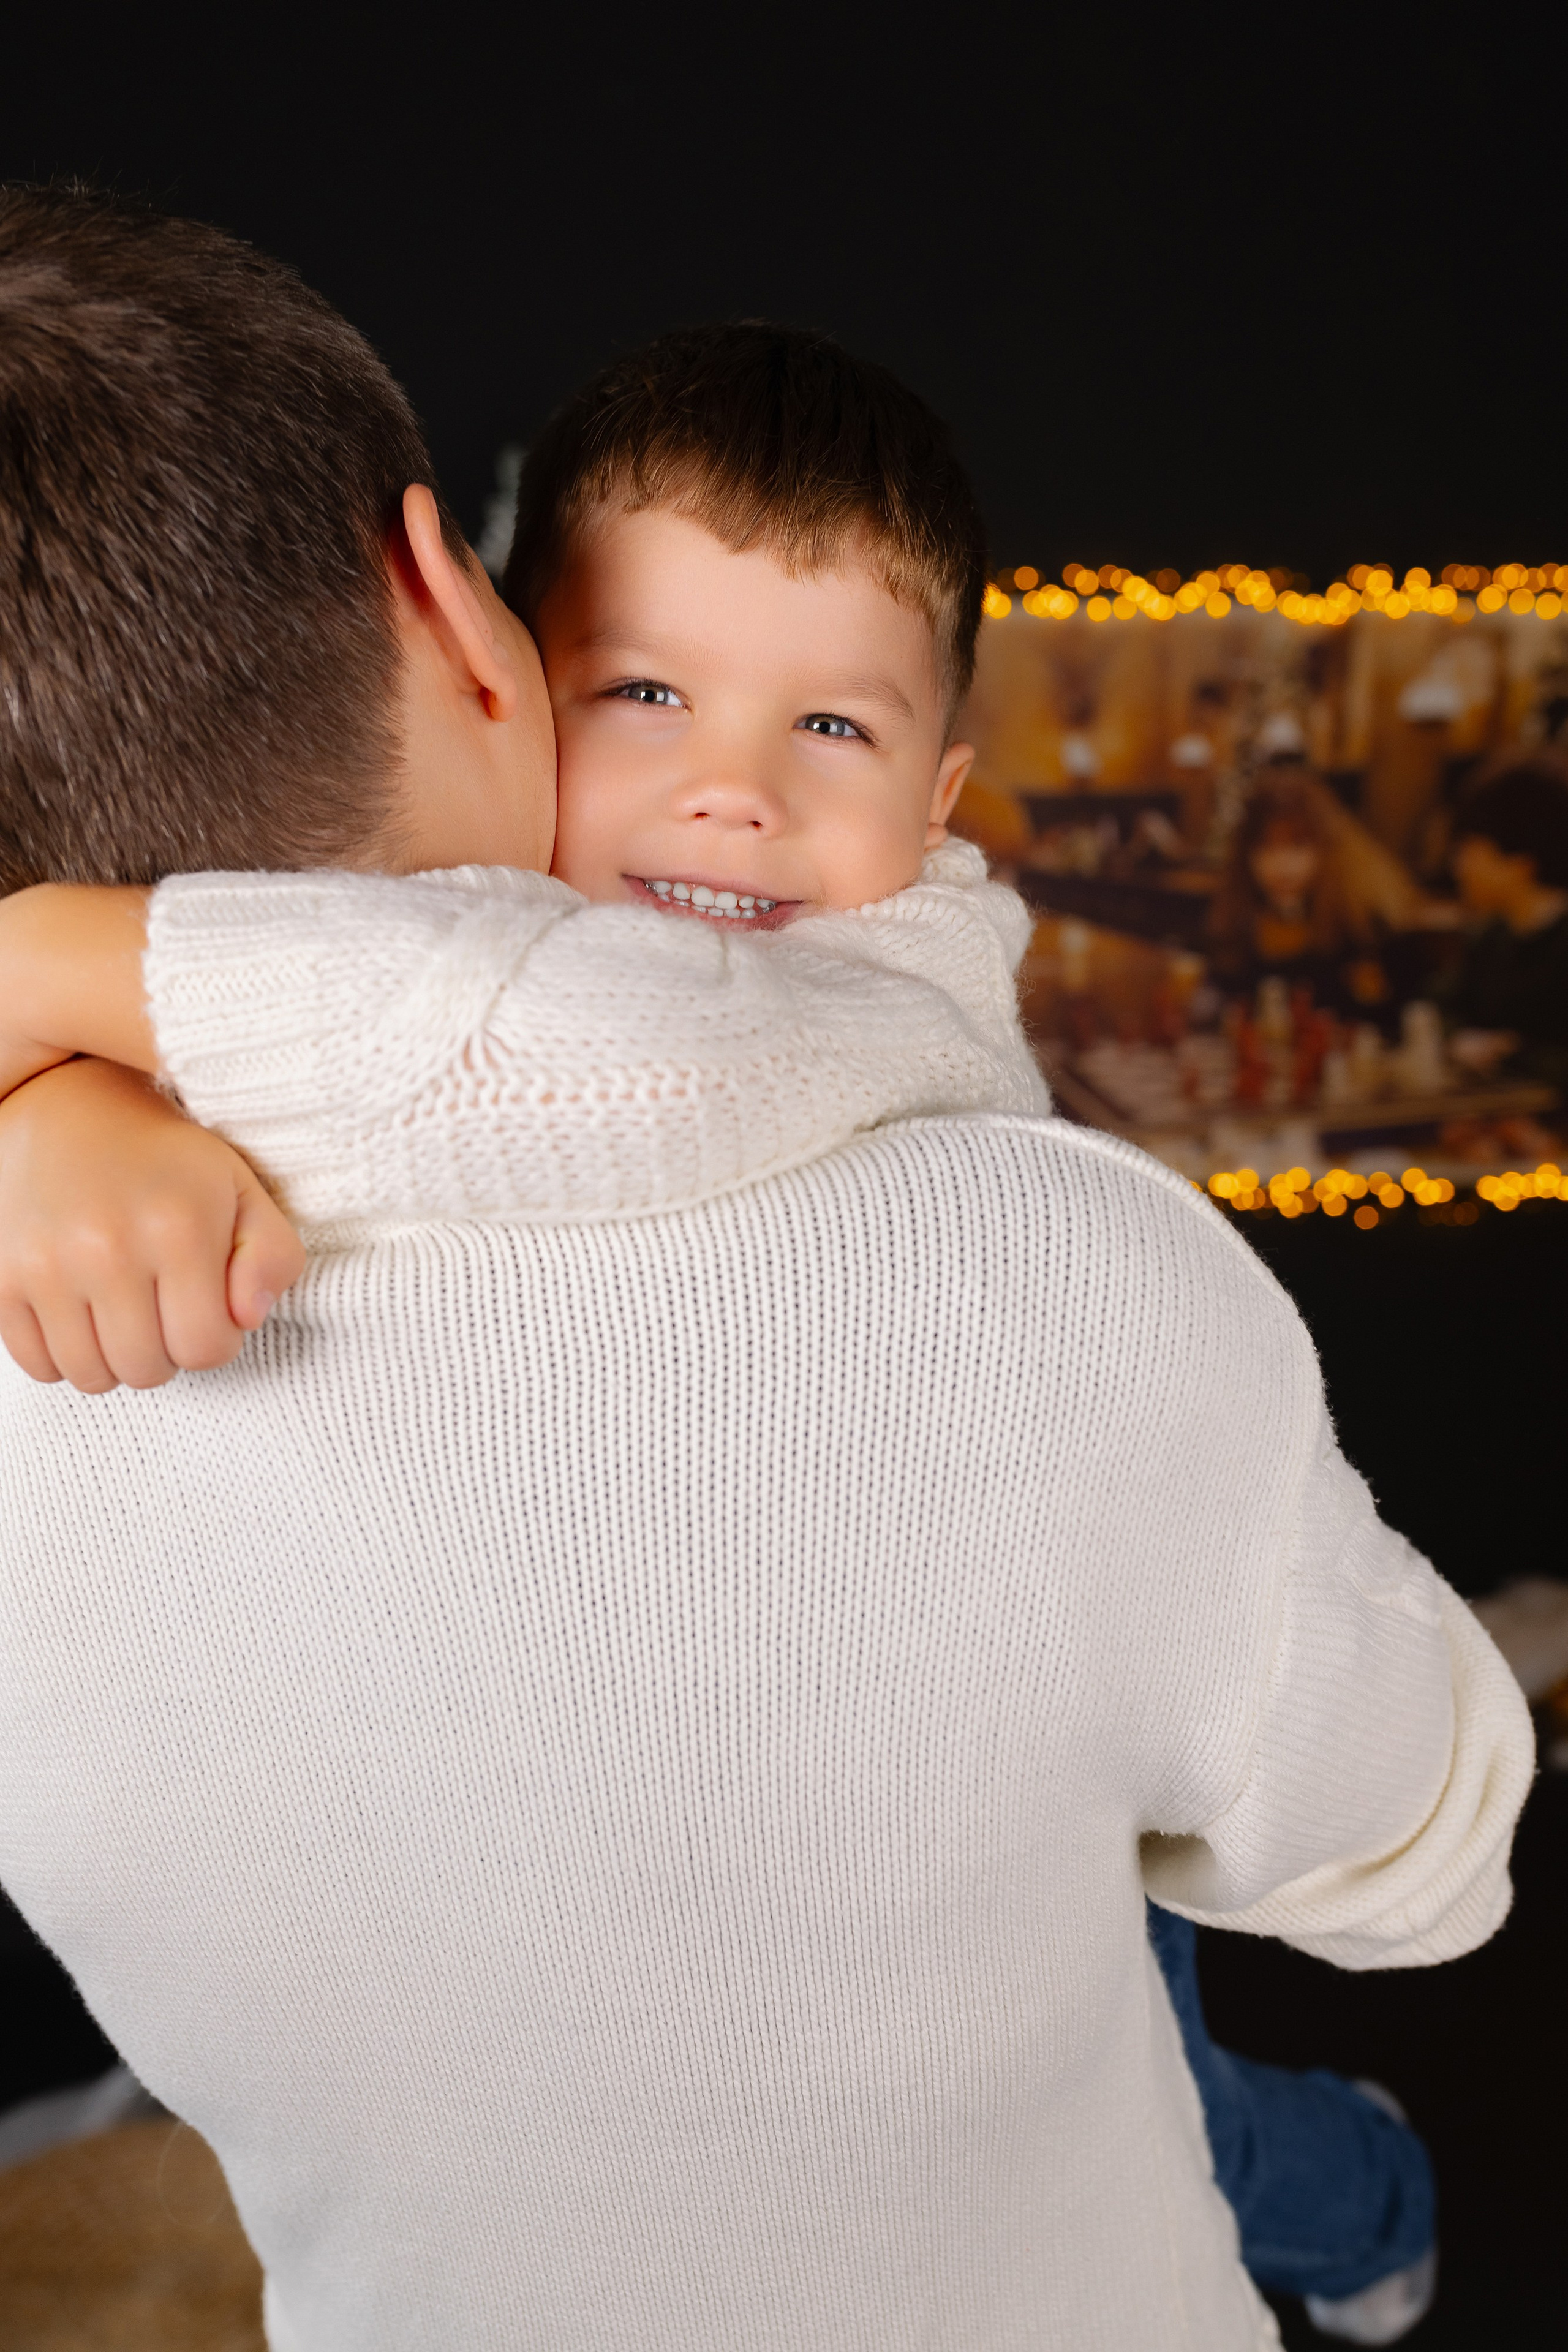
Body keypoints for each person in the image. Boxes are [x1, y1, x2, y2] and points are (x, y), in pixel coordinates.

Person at [0, 188, 1533, 2351]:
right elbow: (1429, 1849)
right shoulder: (1093, 1289)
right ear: (477, 612)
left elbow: (606, 1063)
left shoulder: (53, 1296)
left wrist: (50, 1004)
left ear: (941, 798)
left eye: (831, 732)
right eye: (648, 692)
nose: (725, 800)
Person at [1441, 757, 1568, 1095]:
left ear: (1520, 863)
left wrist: (1511, 1054)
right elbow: (1443, 1007)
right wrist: (1457, 1037)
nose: (1458, 867)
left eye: (1470, 850)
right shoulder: (1491, 938)